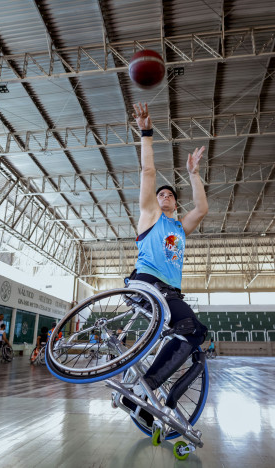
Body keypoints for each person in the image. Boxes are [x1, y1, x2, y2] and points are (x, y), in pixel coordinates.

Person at [130, 102, 208, 409]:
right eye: (161, 194)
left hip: (170, 293)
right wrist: (146, 132)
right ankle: (145, 376)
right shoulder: (150, 216)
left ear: (175, 204)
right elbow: (149, 171)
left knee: (196, 332)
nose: (165, 197)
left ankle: (147, 387)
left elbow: (201, 209)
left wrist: (194, 173)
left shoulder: (178, 227)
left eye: (170, 195)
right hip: (147, 283)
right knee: (182, 325)